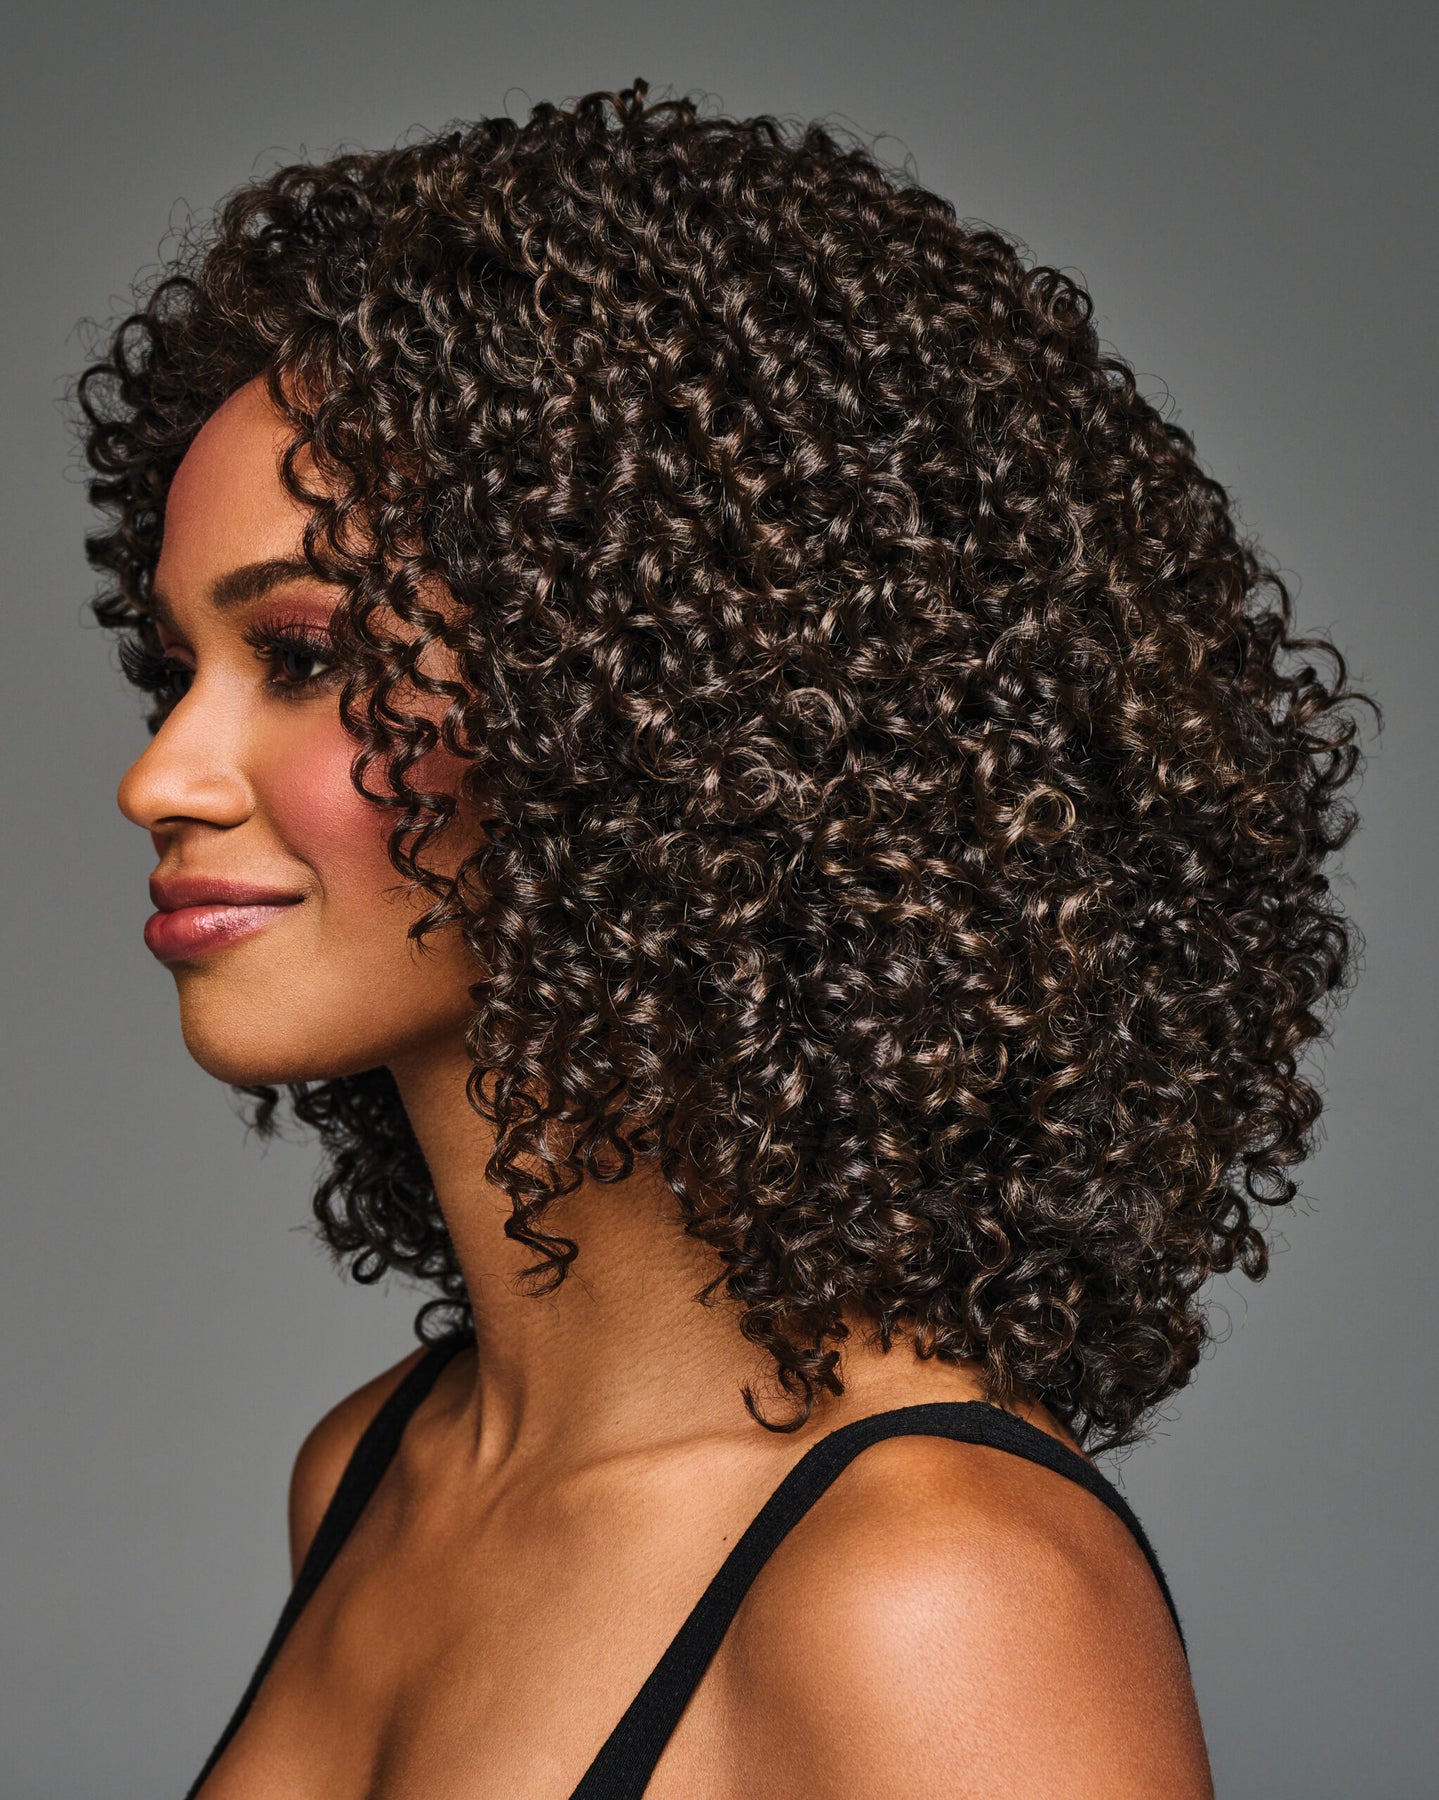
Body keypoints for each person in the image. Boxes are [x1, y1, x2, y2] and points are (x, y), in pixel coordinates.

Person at [78, 79, 1373, 1798]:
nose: (157, 777)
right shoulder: (369, 1474)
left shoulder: (937, 1592)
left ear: (656, 714)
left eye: (306, 659)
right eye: (179, 668)